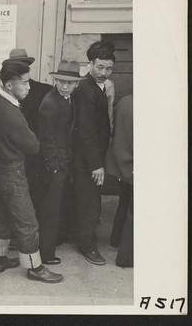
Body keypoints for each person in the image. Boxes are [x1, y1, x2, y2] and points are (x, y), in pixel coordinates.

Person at [0, 61, 63, 283]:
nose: (29, 87)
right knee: (28, 222)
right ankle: (35, 268)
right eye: (25, 83)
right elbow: (33, 146)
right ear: (9, 85)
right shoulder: (12, 111)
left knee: (2, 212)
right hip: (12, 170)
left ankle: (0, 258)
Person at [37, 60, 84, 265]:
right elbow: (46, 139)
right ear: (55, 81)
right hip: (55, 164)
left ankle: (54, 241)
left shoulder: (68, 99)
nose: (65, 86)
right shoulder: (50, 103)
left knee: (58, 205)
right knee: (51, 209)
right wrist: (54, 166)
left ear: (76, 85)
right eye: (61, 81)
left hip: (65, 162)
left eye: (70, 83)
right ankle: (45, 253)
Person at [73, 40, 114, 265]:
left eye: (108, 69)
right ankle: (88, 246)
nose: (104, 73)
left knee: (89, 200)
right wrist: (96, 164)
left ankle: (83, 238)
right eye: (100, 67)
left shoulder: (98, 87)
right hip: (87, 159)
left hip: (91, 156)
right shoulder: (86, 90)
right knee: (90, 203)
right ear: (90, 64)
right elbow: (87, 132)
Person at [3, 49, 53, 209]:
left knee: (33, 191)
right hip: (15, 154)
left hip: (34, 151)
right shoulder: (6, 95)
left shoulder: (45, 90)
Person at [106, 94, 133, 267]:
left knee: (124, 201)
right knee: (136, 211)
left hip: (122, 161)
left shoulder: (125, 101)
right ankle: (126, 257)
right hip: (135, 162)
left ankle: (116, 238)